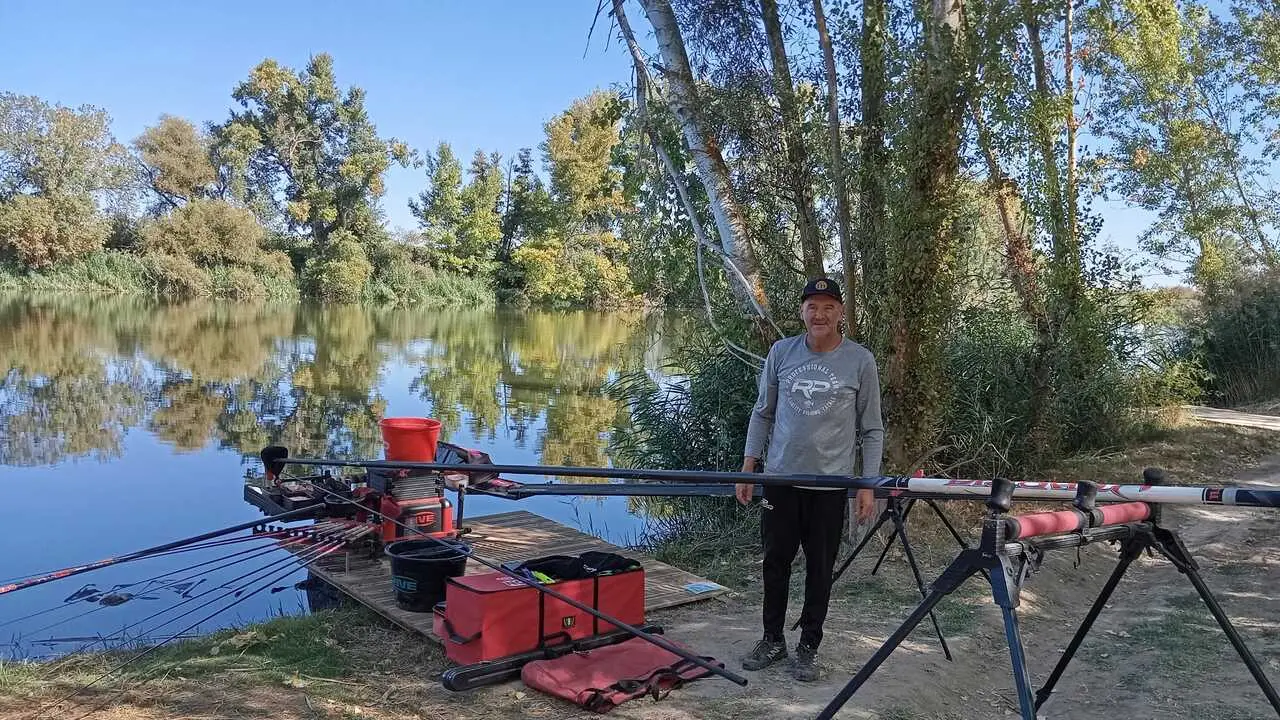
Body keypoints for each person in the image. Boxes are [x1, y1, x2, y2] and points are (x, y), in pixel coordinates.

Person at [735, 277, 884, 681]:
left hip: (831, 487)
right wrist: (748, 466)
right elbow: (762, 412)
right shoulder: (781, 353)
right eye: (812, 306)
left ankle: (808, 647)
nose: (819, 314)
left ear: (840, 313)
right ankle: (773, 639)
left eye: (828, 307)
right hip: (780, 480)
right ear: (801, 312)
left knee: (820, 568)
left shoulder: (860, 361)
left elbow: (872, 429)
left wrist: (866, 485)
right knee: (775, 562)